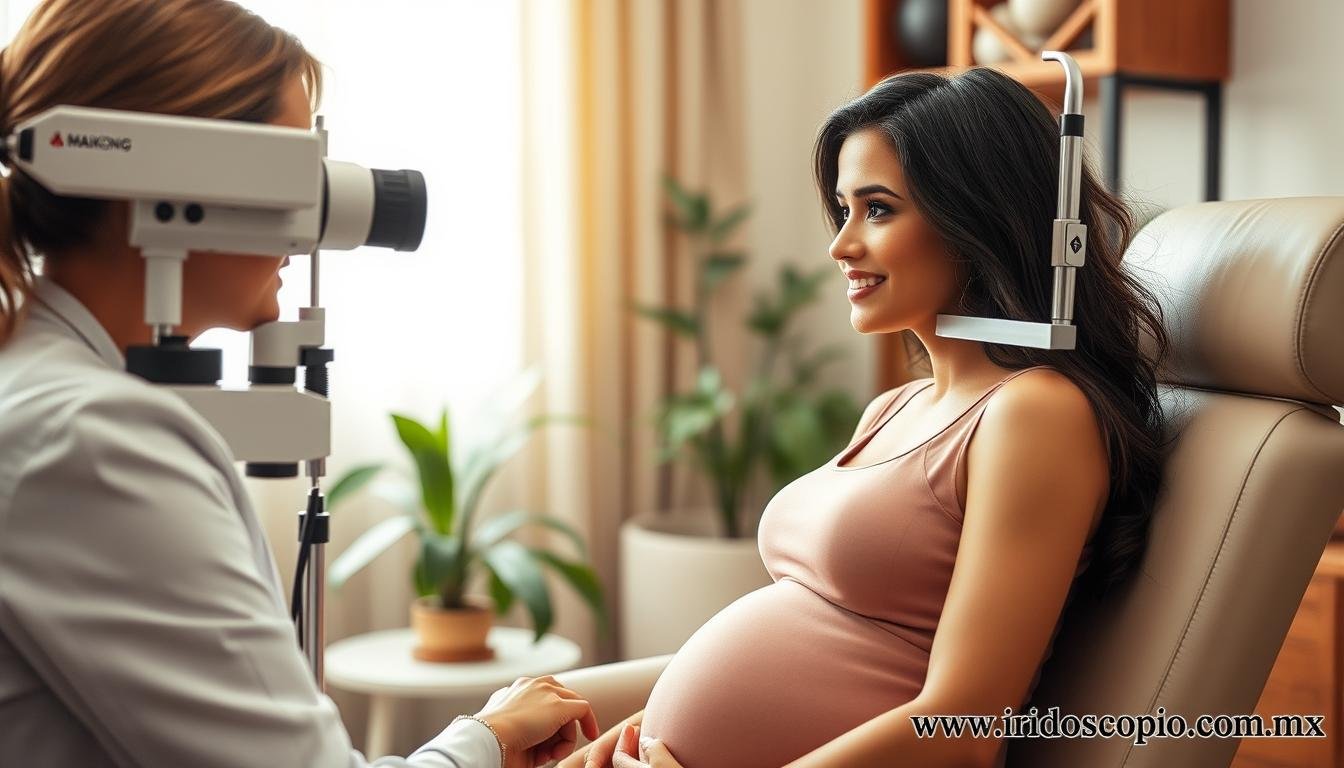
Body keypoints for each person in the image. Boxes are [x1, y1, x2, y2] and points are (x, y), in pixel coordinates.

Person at [0, 2, 599, 766]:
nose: (312, 216)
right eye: (291, 168)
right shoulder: (90, 441)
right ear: (162, 172)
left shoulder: (46, 387)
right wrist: (482, 741)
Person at [564, 67, 1169, 768]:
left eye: (878, 209)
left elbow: (963, 726)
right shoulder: (894, 408)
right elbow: (816, 644)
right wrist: (634, 734)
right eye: (843, 209)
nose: (841, 245)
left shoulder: (1034, 414)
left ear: (978, 219)